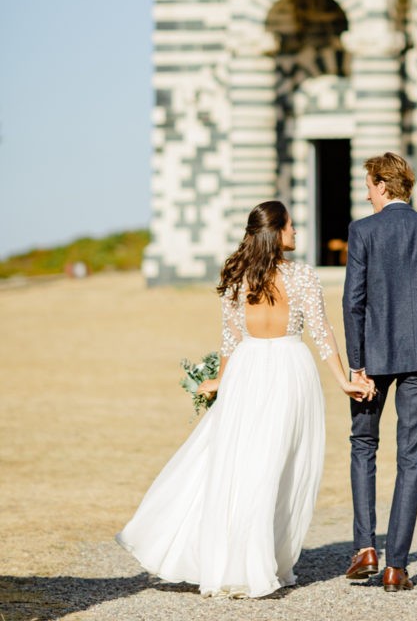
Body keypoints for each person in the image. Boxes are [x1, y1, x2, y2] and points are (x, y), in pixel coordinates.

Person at [117, 200, 369, 599]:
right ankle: (254, 563)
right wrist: (343, 380)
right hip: (289, 370)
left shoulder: (237, 278)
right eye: (290, 225)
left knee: (243, 463)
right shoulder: (302, 276)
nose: (296, 231)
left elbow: (230, 340)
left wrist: (221, 379)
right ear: (277, 232)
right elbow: (322, 333)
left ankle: (243, 559)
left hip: (246, 370)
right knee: (278, 466)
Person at [342, 152, 417, 592]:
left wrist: (357, 364)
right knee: (411, 458)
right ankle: (396, 567)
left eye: (368, 187)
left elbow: (353, 302)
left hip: (373, 359)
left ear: (382, 185)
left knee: (363, 444)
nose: (366, 195)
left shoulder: (363, 231)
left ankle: (365, 548)